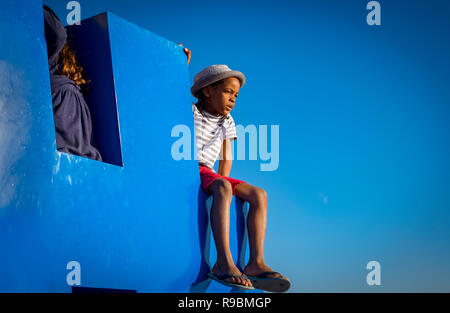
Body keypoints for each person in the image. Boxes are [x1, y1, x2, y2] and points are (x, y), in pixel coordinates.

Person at [191, 65, 291, 292]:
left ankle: (255, 262)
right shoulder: (192, 112)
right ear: (207, 92)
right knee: (224, 186)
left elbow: (226, 157)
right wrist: (182, 61)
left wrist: (222, 184)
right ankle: (223, 261)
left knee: (259, 194)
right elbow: (171, 98)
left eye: (236, 95)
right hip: (193, 168)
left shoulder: (228, 121)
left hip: (211, 173)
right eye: (228, 92)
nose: (233, 99)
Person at [43, 5, 102, 161]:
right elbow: (57, 35)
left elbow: (57, 35)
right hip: (68, 164)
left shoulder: (63, 84)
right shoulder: (46, 76)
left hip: (79, 166)